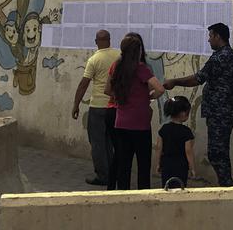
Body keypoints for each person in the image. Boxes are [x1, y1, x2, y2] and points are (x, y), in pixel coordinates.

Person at [164, 22, 233, 186]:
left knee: (217, 153)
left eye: (210, 36)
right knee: (220, 151)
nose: (208, 40)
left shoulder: (220, 57)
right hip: (225, 110)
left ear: (217, 37)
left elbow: (197, 79)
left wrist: (175, 81)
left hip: (219, 112)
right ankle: (226, 186)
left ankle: (226, 187)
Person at [106, 32, 165, 190]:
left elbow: (108, 89)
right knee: (143, 165)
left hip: (121, 122)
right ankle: (143, 195)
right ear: (137, 51)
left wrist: (122, 98)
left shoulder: (117, 66)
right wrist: (148, 97)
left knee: (123, 164)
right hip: (140, 123)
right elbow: (159, 88)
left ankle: (122, 194)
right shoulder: (140, 68)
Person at [71, 29, 121, 187]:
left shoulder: (94, 60)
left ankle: (103, 175)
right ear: (110, 40)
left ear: (96, 42)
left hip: (98, 106)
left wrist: (76, 104)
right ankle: (115, 173)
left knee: (98, 143)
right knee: (112, 142)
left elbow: (83, 84)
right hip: (115, 106)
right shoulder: (119, 56)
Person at [156, 95, 196, 188]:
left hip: (166, 164)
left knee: (166, 187)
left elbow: (159, 148)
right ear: (183, 113)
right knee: (180, 187)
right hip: (181, 165)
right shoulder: (186, 131)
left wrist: (158, 163)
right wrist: (192, 167)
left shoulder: (164, 129)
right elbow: (188, 151)